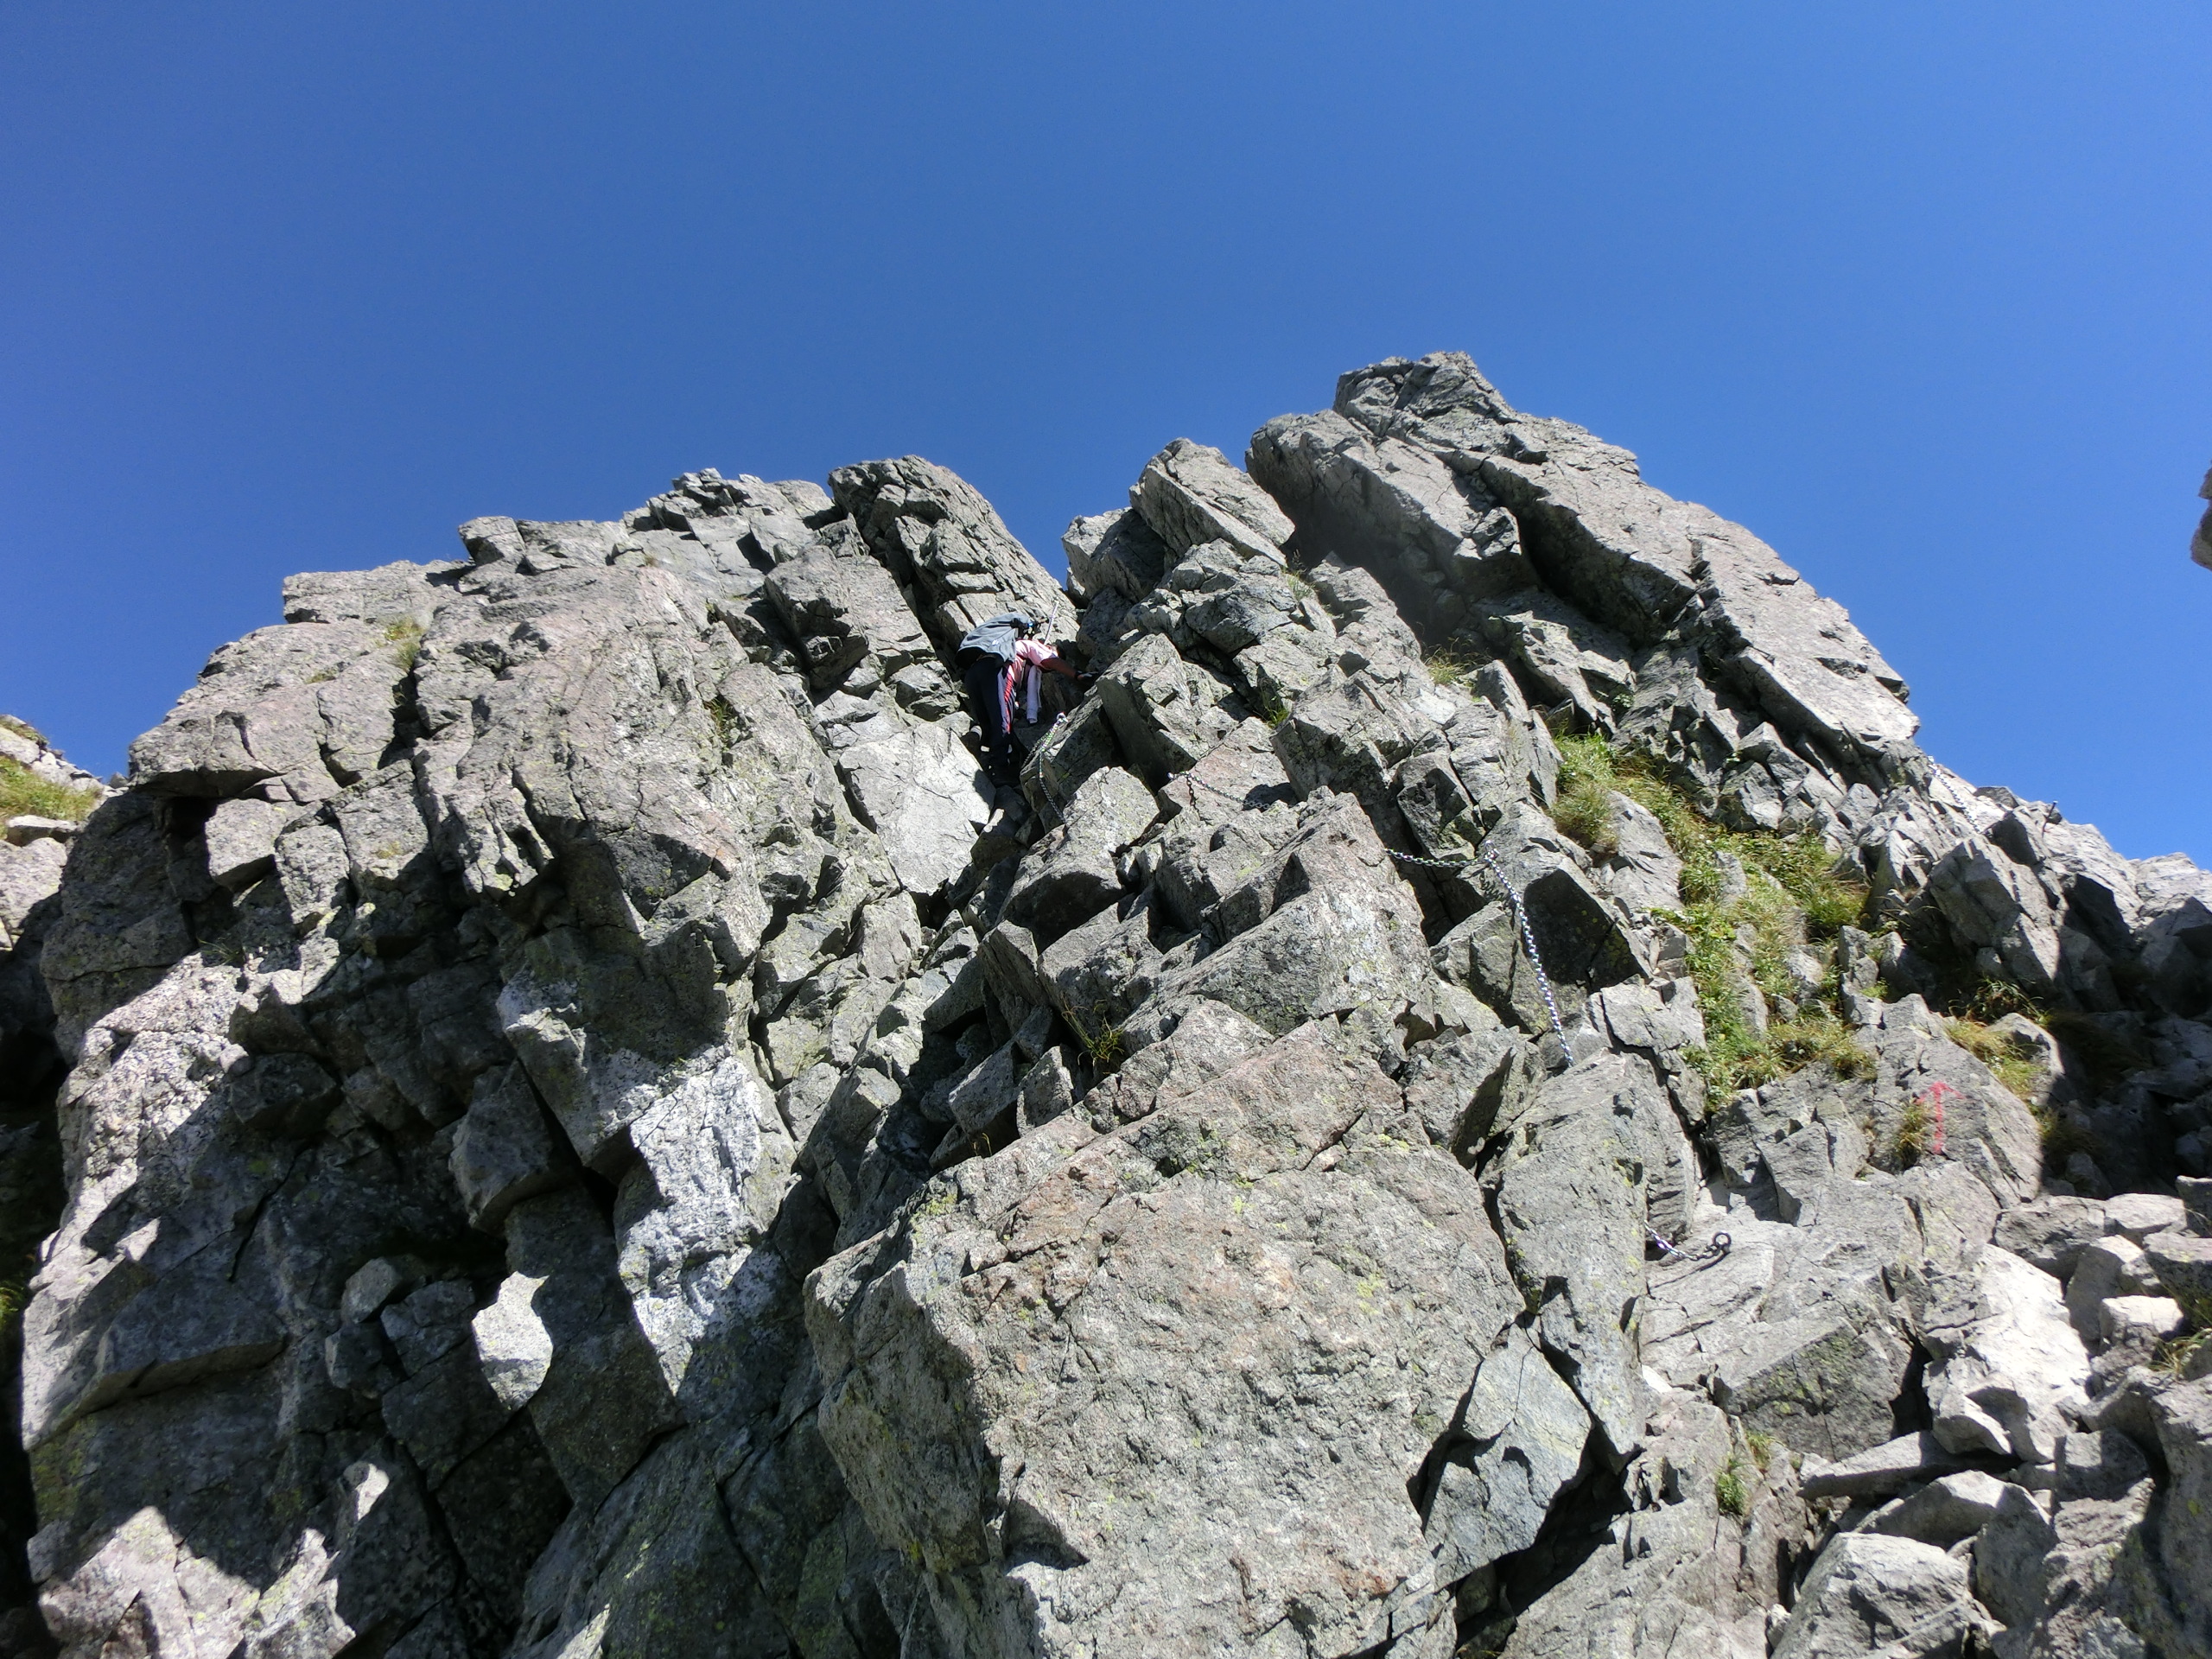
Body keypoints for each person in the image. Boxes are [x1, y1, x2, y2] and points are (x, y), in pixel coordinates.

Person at [956, 612, 1084, 786]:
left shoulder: (1014, 646)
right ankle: (1001, 771)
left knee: (988, 721)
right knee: (1003, 723)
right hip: (997, 670)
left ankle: (978, 738)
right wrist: (1077, 675)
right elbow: (1051, 660)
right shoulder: (1033, 646)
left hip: (974, 673)